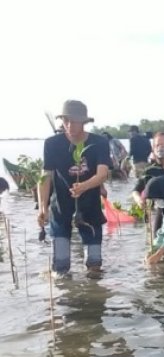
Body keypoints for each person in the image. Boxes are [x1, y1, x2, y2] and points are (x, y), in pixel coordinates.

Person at [38, 100, 111, 274]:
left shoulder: (99, 142)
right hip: (61, 203)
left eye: (75, 121)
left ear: (84, 122)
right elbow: (45, 176)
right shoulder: (52, 143)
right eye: (66, 121)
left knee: (94, 264)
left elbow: (102, 174)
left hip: (89, 203)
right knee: (61, 265)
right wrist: (43, 207)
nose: (69, 125)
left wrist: (84, 186)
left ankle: (93, 291)